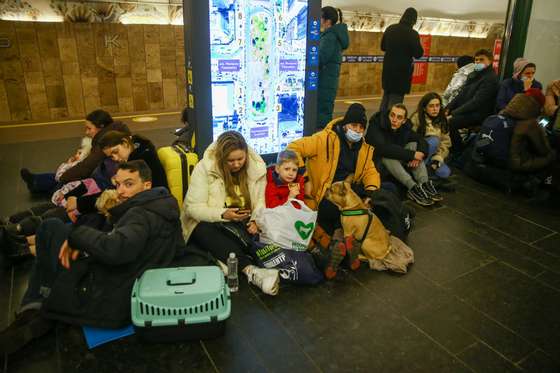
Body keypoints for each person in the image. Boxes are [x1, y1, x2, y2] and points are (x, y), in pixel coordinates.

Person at [0, 160, 183, 355]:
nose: (121, 191)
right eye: (118, 184)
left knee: (51, 228)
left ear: (147, 186)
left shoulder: (140, 214)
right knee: (52, 228)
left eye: (129, 184)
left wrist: (78, 237)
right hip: (127, 280)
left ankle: (36, 305)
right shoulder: (163, 207)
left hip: (110, 292)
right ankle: (37, 303)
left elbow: (116, 249)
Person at [182, 131, 280, 296]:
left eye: (240, 159)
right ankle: (250, 270)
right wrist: (222, 214)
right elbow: (193, 208)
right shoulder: (204, 168)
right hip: (211, 222)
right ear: (221, 157)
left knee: (241, 240)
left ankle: (224, 260)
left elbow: (260, 202)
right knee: (203, 230)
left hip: (242, 222)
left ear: (246, 155)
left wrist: (256, 220)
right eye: (230, 161)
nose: (236, 164)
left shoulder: (256, 168)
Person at [288, 103, 380, 278]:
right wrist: (304, 175)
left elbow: (370, 171)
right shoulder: (324, 139)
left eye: (361, 127)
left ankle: (339, 248)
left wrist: (370, 192)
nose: (358, 131)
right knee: (339, 214)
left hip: (348, 193)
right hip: (327, 193)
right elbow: (293, 148)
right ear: (345, 124)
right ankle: (343, 245)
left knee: (380, 199)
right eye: (354, 125)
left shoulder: (364, 149)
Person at [20, 110, 130, 194]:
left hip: (100, 180)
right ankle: (36, 181)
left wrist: (63, 177)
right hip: (101, 175)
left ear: (101, 127)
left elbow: (86, 167)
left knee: (65, 178)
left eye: (89, 128)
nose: (86, 132)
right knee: (67, 175)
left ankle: (38, 183)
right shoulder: (113, 133)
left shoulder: (106, 143)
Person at [366, 104, 441, 206]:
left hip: (396, 163)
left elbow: (421, 140)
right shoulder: (376, 123)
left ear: (404, 120)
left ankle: (424, 183)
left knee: (414, 144)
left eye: (399, 117)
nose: (394, 120)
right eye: (392, 115)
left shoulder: (405, 127)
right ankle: (412, 188)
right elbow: (381, 148)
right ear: (388, 115)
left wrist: (419, 156)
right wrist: (412, 155)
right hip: (376, 164)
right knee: (387, 154)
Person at [446, 49, 499, 155]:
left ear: (490, 61)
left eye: (482, 59)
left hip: (479, 114)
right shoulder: (474, 75)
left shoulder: (490, 79)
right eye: (476, 60)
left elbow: (476, 102)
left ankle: (458, 151)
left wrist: (453, 114)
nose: (478, 62)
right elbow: (461, 95)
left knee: (450, 123)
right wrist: (448, 108)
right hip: (469, 111)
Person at [379, 7, 424, 113]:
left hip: (388, 70)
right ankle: (390, 126)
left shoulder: (390, 28)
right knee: (395, 102)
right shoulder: (412, 34)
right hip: (402, 73)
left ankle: (380, 122)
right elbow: (418, 54)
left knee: (386, 98)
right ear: (414, 20)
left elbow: (383, 47)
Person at [506, 90, 556, 172]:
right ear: (538, 106)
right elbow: (544, 151)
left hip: (497, 158)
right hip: (517, 164)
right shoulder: (531, 124)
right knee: (552, 155)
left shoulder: (503, 113)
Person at [318, 6, 349, 130]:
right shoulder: (333, 35)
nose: (318, 20)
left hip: (324, 82)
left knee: (321, 115)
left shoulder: (330, 36)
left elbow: (320, 58)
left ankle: (321, 142)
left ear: (327, 21)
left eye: (321, 17)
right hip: (329, 82)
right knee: (325, 111)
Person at [410, 92, 452, 179]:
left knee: (445, 173)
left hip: (432, 156)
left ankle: (423, 172)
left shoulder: (443, 120)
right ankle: (418, 171)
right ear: (425, 108)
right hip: (417, 153)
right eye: (431, 106)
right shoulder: (417, 118)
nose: (435, 109)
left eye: (437, 105)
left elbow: (445, 143)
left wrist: (437, 160)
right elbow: (409, 139)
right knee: (434, 140)